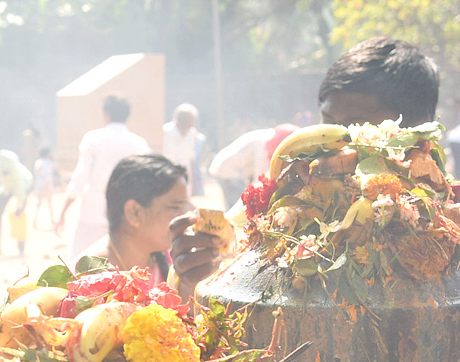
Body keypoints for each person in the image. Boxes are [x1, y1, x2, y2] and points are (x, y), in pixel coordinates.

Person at [172, 37, 442, 297]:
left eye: (357, 128)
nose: (334, 144)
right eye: (329, 122)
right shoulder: (283, 198)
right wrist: (194, 276)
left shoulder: (442, 219)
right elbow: (217, 279)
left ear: (416, 133)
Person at [58, 94, 150, 256]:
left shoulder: (93, 139)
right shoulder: (139, 144)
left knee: (80, 262)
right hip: (124, 214)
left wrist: (64, 211)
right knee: (118, 263)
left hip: (92, 212)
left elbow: (80, 177)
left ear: (106, 115)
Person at [81, 154, 189, 284]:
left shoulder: (174, 262)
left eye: (183, 208)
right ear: (134, 213)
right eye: (175, 207)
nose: (184, 217)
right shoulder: (89, 280)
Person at [207, 124, 295, 207]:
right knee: (241, 206)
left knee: (235, 205)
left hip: (227, 168)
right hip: (226, 170)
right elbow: (260, 179)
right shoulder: (263, 145)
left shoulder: (270, 137)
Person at [0, 141, 32, 257]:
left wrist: (20, 205)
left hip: (23, 184)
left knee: (19, 214)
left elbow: (18, 181)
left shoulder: (9, 159)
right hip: (6, 187)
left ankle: (20, 249)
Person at [162, 104, 204, 196]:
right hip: (166, 177)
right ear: (179, 119)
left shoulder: (192, 133)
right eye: (188, 121)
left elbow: (190, 159)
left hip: (184, 178)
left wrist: (193, 185)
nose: (191, 124)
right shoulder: (165, 131)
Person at [32, 147, 57, 230]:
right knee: (50, 203)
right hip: (47, 185)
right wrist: (47, 184)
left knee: (38, 203)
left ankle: (35, 220)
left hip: (39, 185)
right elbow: (47, 175)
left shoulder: (38, 162)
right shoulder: (48, 163)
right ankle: (52, 220)